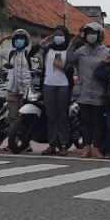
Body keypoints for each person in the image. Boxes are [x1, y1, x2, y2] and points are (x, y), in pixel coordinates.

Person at [67, 22, 109, 159]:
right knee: (84, 122)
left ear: (100, 35)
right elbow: (69, 59)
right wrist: (73, 42)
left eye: (94, 34)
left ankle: (96, 148)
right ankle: (86, 148)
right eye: (89, 34)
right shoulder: (81, 51)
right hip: (83, 92)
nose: (91, 36)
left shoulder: (106, 52)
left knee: (97, 122)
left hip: (98, 92)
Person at [0, 28, 37, 138]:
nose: (18, 41)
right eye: (16, 39)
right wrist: (4, 38)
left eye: (21, 39)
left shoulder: (30, 54)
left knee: (24, 117)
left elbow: (36, 71)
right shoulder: (10, 53)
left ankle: (25, 141)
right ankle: (13, 141)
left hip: (26, 91)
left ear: (26, 41)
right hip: (12, 89)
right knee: (13, 117)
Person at [38, 26, 72, 156]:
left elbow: (72, 69)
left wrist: (62, 67)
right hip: (48, 84)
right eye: (56, 35)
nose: (58, 37)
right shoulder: (48, 49)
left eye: (61, 35)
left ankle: (63, 144)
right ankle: (52, 144)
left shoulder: (68, 50)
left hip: (63, 85)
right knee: (51, 116)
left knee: (62, 116)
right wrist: (47, 39)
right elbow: (34, 50)